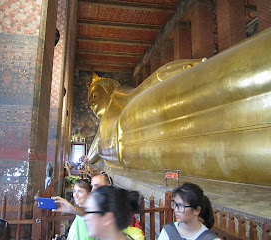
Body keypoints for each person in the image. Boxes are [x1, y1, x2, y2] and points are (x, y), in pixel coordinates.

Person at [86, 28, 271, 186]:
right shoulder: (102, 133)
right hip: (137, 153)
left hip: (136, 117)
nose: (93, 103)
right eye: (90, 102)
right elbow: (94, 152)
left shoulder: (121, 98)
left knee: (210, 88)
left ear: (109, 89)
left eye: (95, 95)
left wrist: (165, 73)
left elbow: (144, 87)